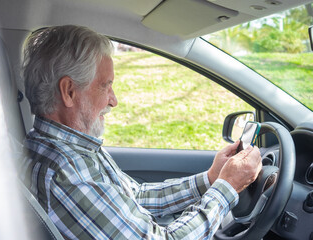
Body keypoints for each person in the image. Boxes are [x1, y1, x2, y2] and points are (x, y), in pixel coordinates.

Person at [20, 25, 262, 239]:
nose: (113, 101)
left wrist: (210, 179)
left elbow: (135, 195)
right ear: (69, 91)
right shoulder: (68, 173)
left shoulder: (73, 149)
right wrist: (227, 187)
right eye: (106, 86)